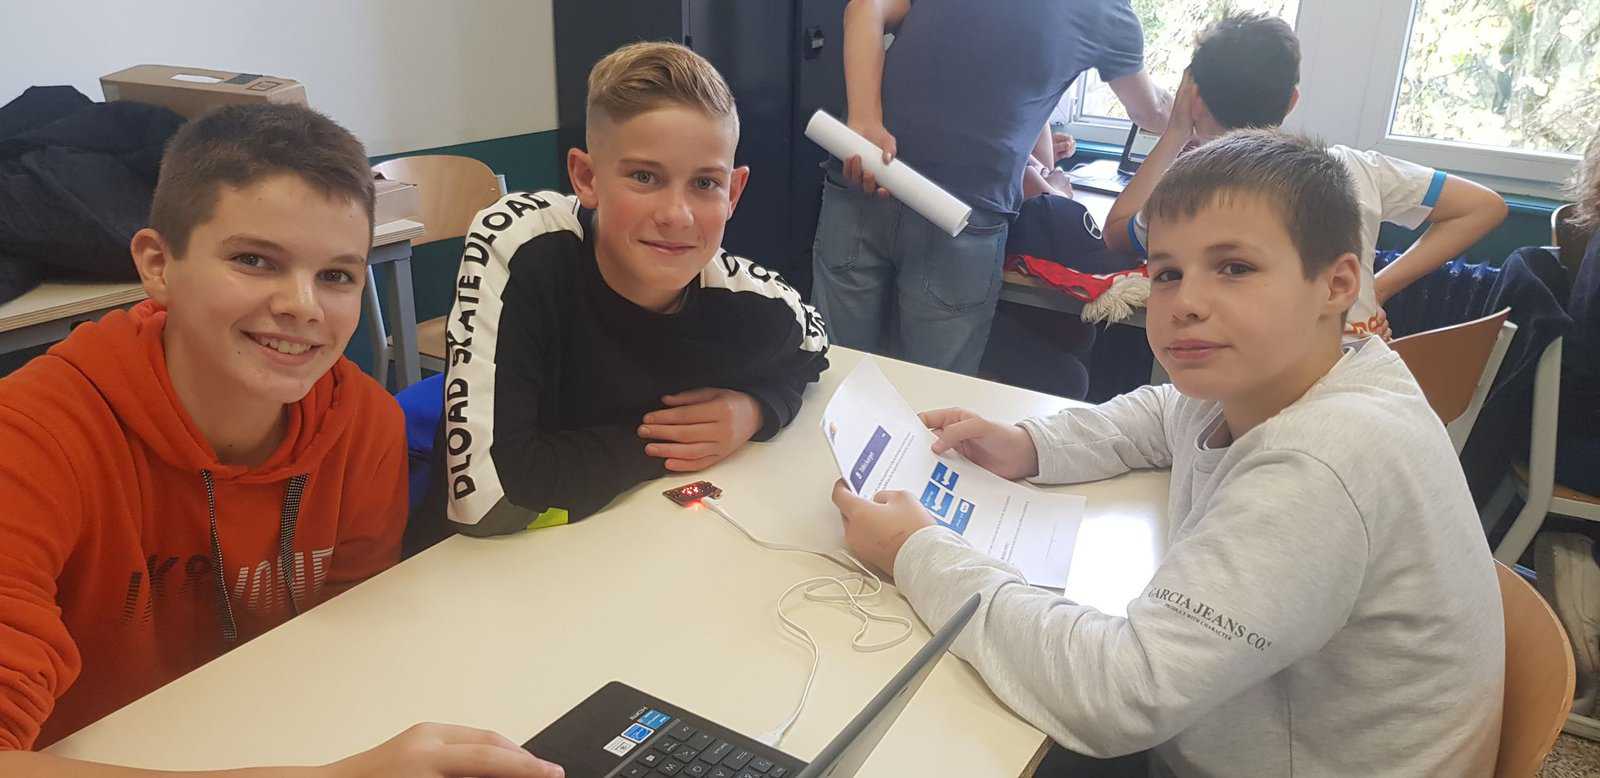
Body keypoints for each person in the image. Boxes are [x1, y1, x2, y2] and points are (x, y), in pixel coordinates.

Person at [831, 131, 1504, 776]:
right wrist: (1030, 445)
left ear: (1336, 284)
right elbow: (1165, 413)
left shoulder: (1323, 466)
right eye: (1168, 274)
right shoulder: (1307, 367)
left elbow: (1120, 694)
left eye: (1234, 268)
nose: (1186, 303)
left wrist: (915, 552)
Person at [0, 103, 563, 776]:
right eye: (254, 260)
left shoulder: (362, 425)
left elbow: (348, 647)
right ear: (157, 264)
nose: (302, 305)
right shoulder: (31, 439)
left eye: (337, 275)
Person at [418, 42, 828, 539]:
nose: (677, 215)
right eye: (644, 177)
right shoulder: (520, 242)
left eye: (705, 184)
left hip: (639, 545)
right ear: (586, 177)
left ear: (733, 193)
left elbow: (813, 348)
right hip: (483, 564)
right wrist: (667, 446)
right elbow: (492, 502)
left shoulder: (740, 292)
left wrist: (756, 411)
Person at [810, 0, 1169, 374]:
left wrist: (865, 121)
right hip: (960, 211)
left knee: (832, 369)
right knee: (933, 388)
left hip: (868, 175)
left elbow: (865, 7)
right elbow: (1153, 110)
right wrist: (1190, 120)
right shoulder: (1105, 10)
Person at [1103, 12, 1507, 340]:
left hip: (1261, 382)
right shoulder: (1354, 168)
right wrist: (1374, 290)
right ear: (1292, 100)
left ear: (1194, 98)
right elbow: (1484, 206)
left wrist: (1175, 131)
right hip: (1360, 364)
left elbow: (1117, 233)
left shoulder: (1191, 190)